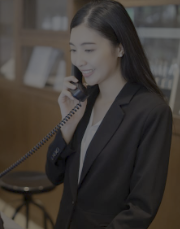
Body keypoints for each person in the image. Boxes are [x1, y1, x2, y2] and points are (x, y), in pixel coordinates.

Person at [46, 1, 173, 228]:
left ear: (120, 47)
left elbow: (141, 208)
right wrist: (67, 126)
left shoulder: (151, 112)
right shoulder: (84, 100)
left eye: (89, 49)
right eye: (73, 49)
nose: (78, 60)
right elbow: (53, 175)